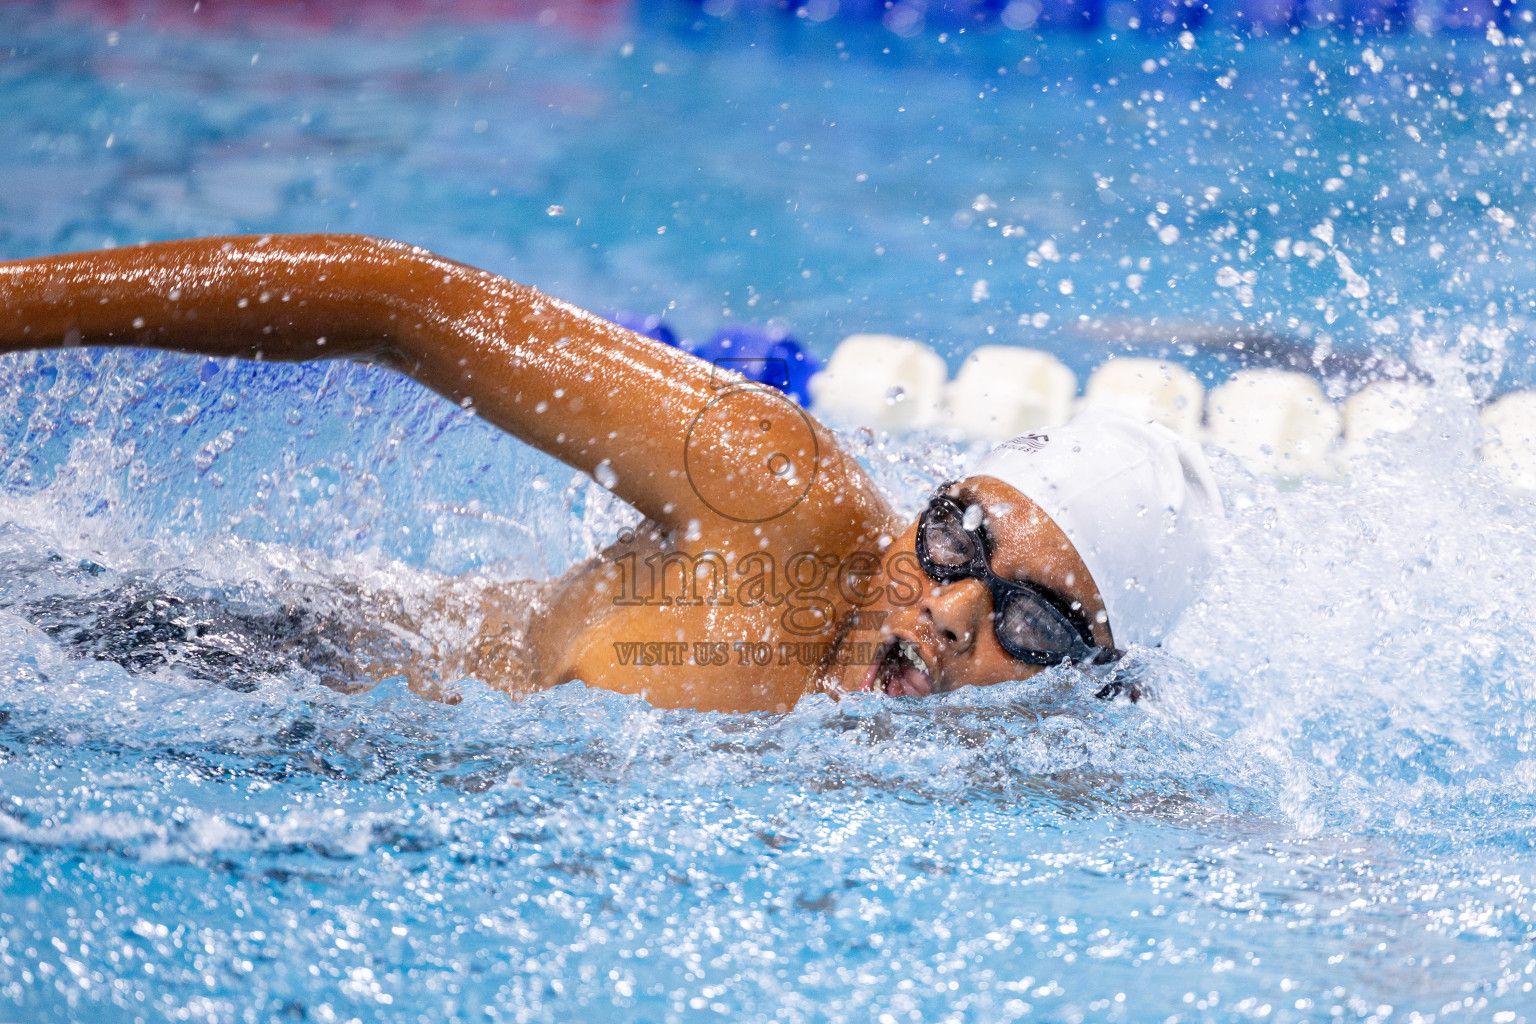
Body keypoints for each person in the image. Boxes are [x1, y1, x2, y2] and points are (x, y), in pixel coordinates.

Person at [0, 234, 1221, 713]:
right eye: (959, 541)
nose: (952, 612)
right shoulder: (773, 495)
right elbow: (393, 299)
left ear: (1084, 678)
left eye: (1032, 621)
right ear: (926, 503)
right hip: (242, 660)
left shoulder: (1030, 785)